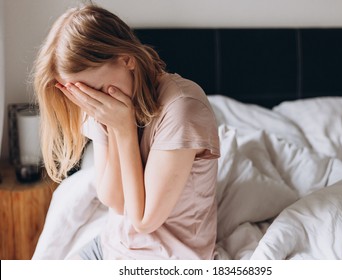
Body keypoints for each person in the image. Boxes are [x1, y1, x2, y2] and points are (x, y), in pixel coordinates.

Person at [32, 4, 220, 260]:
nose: (94, 101)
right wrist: (111, 125)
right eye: (83, 95)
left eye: (96, 90)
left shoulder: (182, 109)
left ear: (127, 59)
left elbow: (143, 220)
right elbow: (114, 201)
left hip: (167, 260)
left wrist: (124, 129)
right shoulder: (104, 105)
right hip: (111, 246)